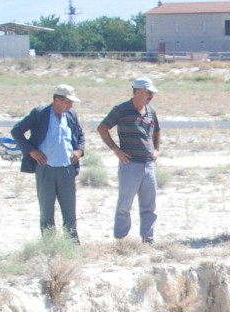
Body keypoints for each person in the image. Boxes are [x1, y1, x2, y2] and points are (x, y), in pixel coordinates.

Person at [11, 84, 85, 241]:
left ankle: (72, 244)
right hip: (46, 169)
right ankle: (49, 244)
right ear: (57, 100)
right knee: (46, 211)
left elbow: (80, 136)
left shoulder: (71, 115)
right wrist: (32, 151)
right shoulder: (40, 114)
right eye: (68, 102)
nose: (71, 105)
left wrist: (79, 151)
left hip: (66, 169)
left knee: (69, 211)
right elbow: (17, 131)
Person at [98, 77, 162, 244]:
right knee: (125, 205)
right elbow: (103, 128)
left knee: (149, 206)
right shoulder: (121, 110)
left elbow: (157, 131)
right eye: (149, 93)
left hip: (148, 165)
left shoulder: (150, 111)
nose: (151, 96)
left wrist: (156, 150)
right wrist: (116, 150)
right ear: (138, 92)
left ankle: (148, 238)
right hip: (130, 165)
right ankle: (121, 239)